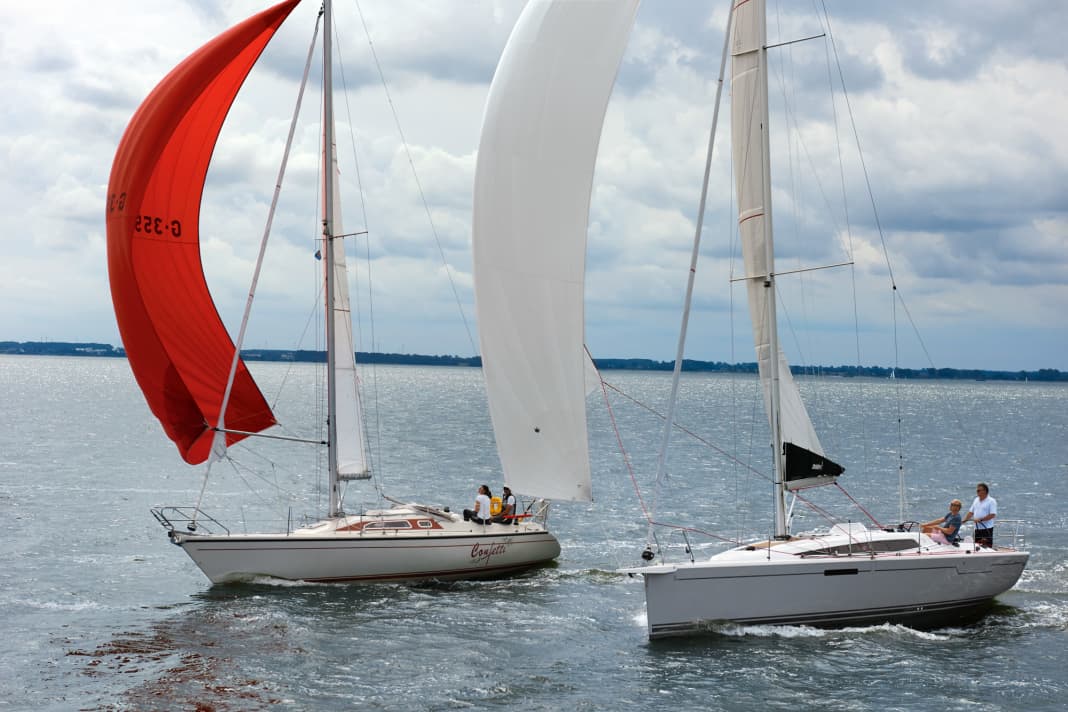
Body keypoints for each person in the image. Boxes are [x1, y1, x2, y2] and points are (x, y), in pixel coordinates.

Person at [963, 482, 997, 548]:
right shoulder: (976, 500)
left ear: (984, 491)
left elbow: (992, 515)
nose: (977, 492)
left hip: (986, 528)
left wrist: (981, 519)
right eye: (977, 490)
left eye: (978, 490)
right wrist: (964, 520)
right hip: (977, 528)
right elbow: (971, 512)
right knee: (976, 547)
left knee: (986, 547)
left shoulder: (991, 501)